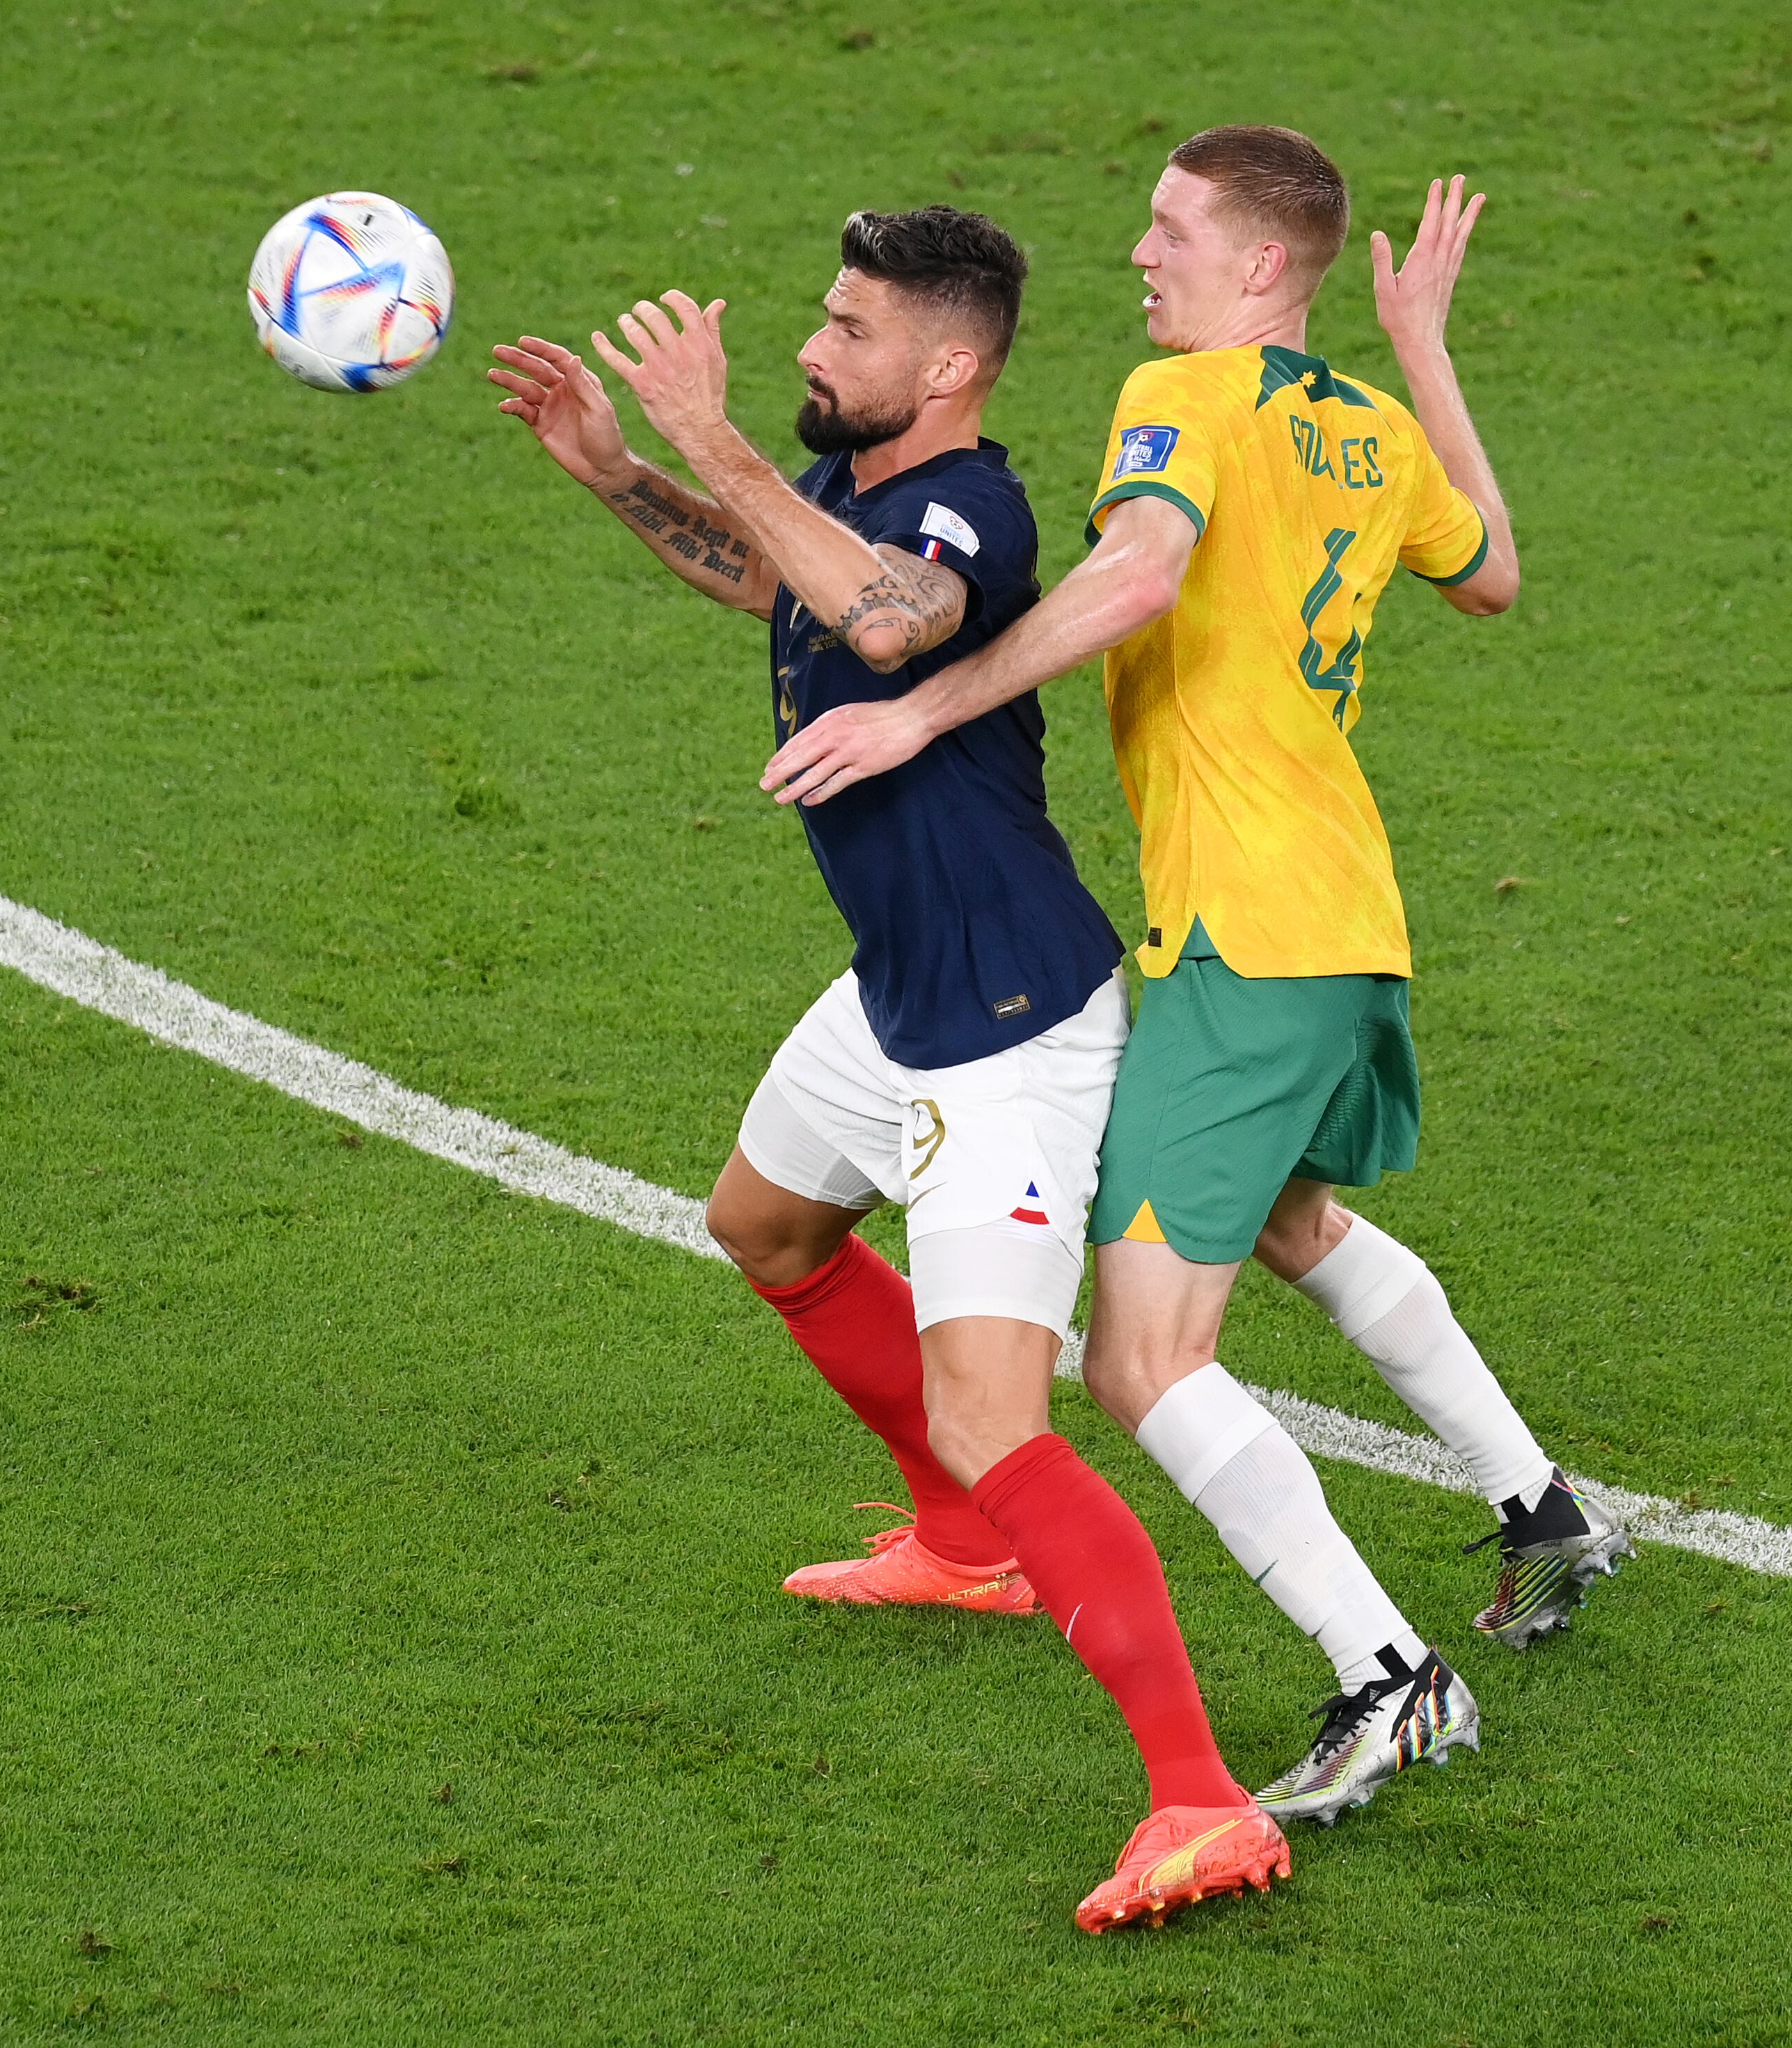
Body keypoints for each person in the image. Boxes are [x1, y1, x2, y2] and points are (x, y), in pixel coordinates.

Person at [756, 133, 1628, 1827]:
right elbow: (1492, 575)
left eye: (1170, 228)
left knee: (1141, 1358)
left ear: (1258, 264)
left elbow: (1141, 570)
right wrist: (1424, 348)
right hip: (1342, 921)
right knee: (1287, 1222)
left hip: (1246, 938)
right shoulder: (1368, 423)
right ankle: (1538, 1509)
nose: (1140, 255)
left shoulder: (1184, 394)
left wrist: (922, 710)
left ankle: (1391, 1677)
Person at [486, 205, 1289, 1928]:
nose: (810, 347)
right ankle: (963, 1546)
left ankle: (1201, 1798)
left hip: (1009, 1025)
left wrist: (708, 435)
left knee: (1003, 1412)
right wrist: (620, 472)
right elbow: (770, 575)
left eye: (849, 330)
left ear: (950, 367)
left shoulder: (970, 512)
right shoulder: (851, 483)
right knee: (765, 1223)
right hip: (898, 988)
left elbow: (881, 623)